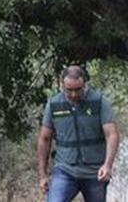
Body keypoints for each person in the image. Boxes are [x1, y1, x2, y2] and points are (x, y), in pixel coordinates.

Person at [36, 65, 120, 202]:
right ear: (62, 84)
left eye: (78, 89)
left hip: (95, 172)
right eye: (69, 90)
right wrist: (42, 175)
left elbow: (112, 134)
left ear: (85, 84)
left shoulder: (99, 101)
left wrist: (108, 165)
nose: (74, 94)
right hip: (65, 171)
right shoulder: (53, 104)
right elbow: (44, 139)